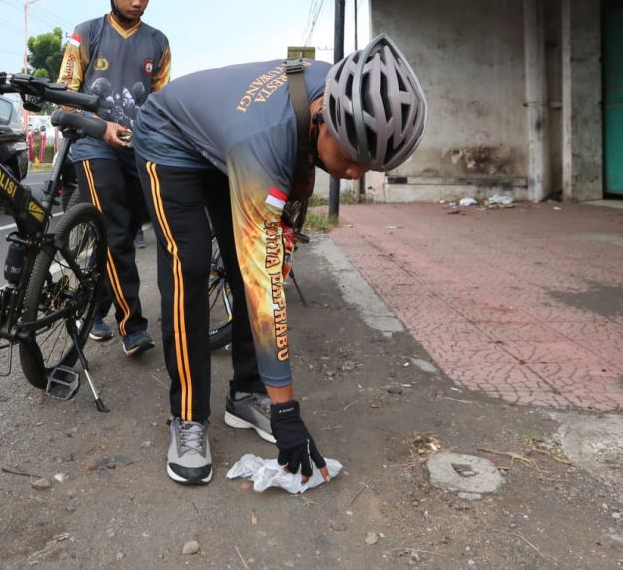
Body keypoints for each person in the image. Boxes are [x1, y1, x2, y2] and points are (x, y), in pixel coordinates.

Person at [132, 36, 427, 484]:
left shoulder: (342, 91)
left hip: (229, 140)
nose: (354, 174)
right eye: (353, 157)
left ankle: (247, 394)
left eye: (370, 167)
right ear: (323, 120)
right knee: (188, 268)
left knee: (243, 262)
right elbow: (264, 281)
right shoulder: (266, 140)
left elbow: (272, 256)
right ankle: (189, 417)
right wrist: (289, 411)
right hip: (169, 142)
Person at [57, 0, 171, 356]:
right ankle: (133, 326)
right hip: (91, 145)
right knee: (119, 230)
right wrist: (101, 127)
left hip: (137, 150)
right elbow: (66, 96)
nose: (137, 1)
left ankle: (94, 305)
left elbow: (160, 104)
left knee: (126, 230)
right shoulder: (85, 34)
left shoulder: (158, 43)